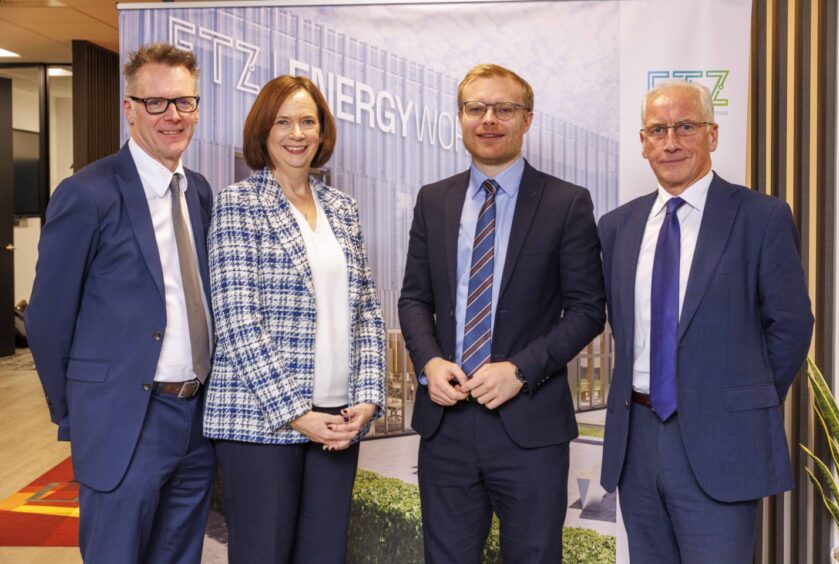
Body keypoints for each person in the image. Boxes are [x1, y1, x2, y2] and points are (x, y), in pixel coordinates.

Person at [598, 80, 814, 563]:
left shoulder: (761, 217)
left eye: (685, 126)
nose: (671, 142)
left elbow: (791, 325)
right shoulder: (617, 227)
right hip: (637, 442)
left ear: (712, 135)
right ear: (643, 142)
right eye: (658, 130)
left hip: (723, 440)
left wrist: (742, 399)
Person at [398, 64, 606, 564]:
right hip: (446, 424)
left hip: (529, 425)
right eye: (476, 108)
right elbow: (413, 299)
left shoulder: (566, 202)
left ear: (527, 119)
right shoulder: (433, 200)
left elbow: (586, 310)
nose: (489, 119)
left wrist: (520, 370)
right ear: (461, 117)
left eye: (504, 109)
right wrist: (428, 363)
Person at [25, 43, 215, 563]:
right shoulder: (87, 193)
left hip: (195, 420)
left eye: (184, 102)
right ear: (128, 109)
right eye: (156, 102)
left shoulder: (198, 191)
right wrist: (77, 415)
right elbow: (46, 319)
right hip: (124, 421)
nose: (172, 116)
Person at [203, 75, 386, 564]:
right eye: (283, 121)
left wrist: (368, 398)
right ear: (263, 131)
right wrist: (296, 414)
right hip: (262, 423)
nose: (297, 133)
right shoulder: (238, 204)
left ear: (323, 133)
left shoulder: (342, 209)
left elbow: (366, 310)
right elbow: (238, 320)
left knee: (324, 555)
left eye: (308, 121)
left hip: (338, 420)